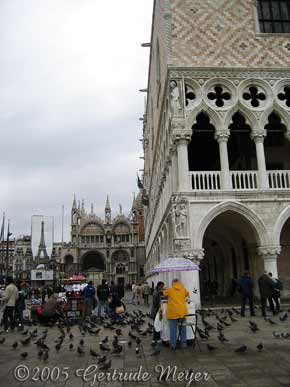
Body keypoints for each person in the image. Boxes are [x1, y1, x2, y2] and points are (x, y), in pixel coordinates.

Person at [163, 278, 189, 350]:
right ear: (179, 283)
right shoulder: (183, 289)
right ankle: (184, 344)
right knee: (183, 329)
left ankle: (173, 345)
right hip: (182, 312)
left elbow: (164, 293)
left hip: (172, 312)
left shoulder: (170, 290)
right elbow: (187, 294)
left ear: (172, 283)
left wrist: (165, 289)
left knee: (173, 329)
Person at [151, 281, 165, 346]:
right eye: (162, 286)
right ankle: (155, 339)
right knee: (156, 325)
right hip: (155, 311)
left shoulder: (156, 291)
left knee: (157, 324)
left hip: (155, 310)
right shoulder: (157, 292)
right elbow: (156, 302)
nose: (163, 288)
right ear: (159, 286)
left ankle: (156, 338)